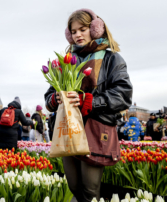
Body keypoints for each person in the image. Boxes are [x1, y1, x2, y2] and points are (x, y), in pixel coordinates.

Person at [44, 8, 132, 201]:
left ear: (95, 29)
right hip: (69, 129)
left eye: (82, 29)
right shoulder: (68, 62)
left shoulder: (111, 59)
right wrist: (55, 99)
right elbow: (49, 95)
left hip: (95, 129)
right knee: (74, 186)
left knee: (90, 191)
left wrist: (89, 101)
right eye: (73, 31)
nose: (77, 35)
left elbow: (124, 94)